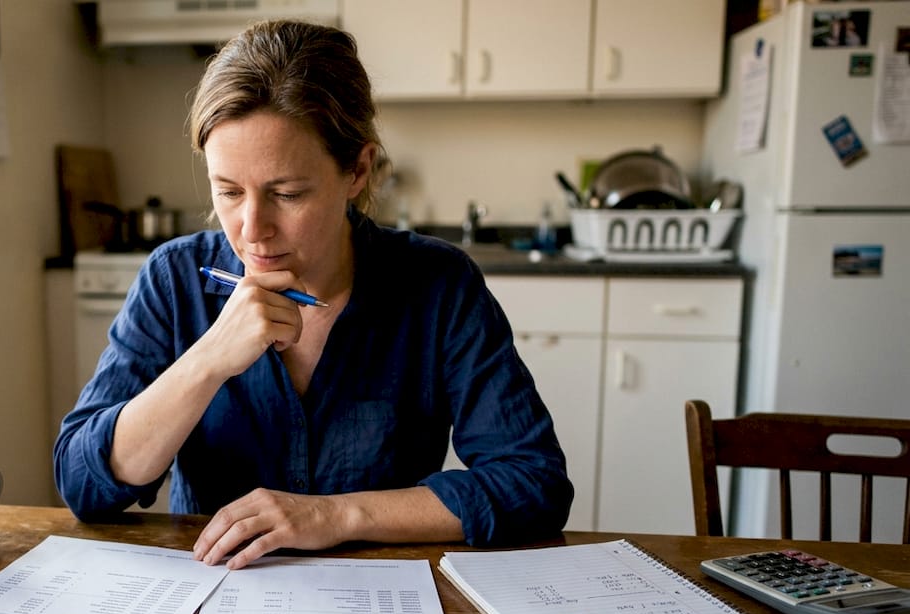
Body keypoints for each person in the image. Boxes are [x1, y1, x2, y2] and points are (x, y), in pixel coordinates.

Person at [54, 20, 572, 570]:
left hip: (381, 603)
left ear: (358, 169)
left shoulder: (438, 284)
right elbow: (83, 485)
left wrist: (334, 516)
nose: (252, 229)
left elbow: (532, 483)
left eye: (287, 193)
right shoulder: (174, 279)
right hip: (212, 598)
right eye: (228, 192)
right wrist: (206, 362)